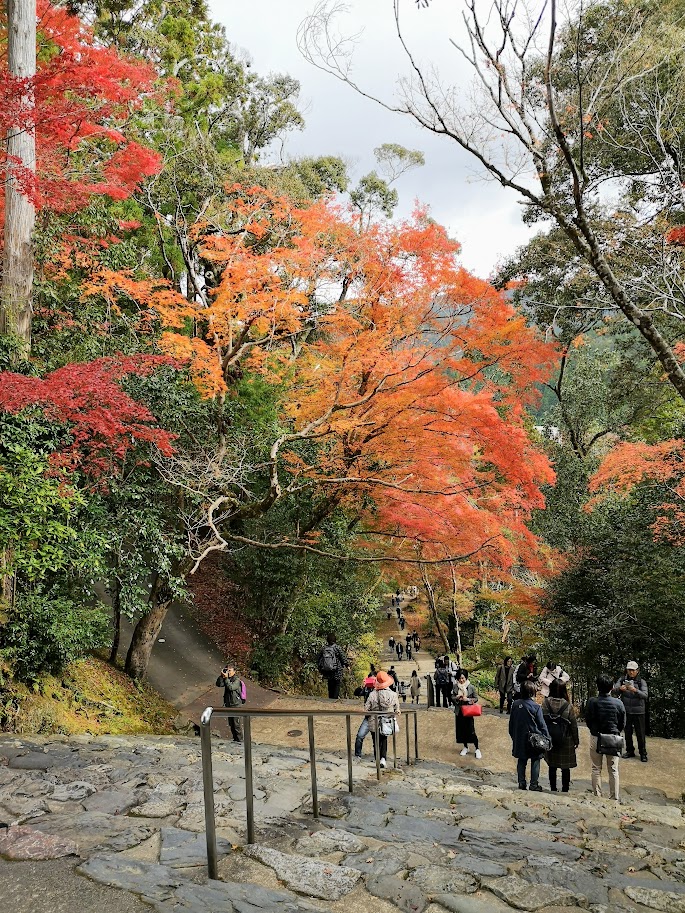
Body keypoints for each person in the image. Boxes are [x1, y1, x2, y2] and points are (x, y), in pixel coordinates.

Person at [586, 673, 626, 800]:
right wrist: (615, 731)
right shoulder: (618, 703)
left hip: (596, 736)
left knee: (596, 768)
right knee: (613, 770)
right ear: (612, 687)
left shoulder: (592, 702)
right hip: (613, 738)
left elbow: (588, 720)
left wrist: (594, 730)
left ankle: (597, 796)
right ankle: (614, 797)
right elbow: (622, 723)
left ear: (597, 687)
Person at [509, 680, 550, 791]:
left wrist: (514, 736)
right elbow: (542, 725)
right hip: (534, 739)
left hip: (520, 737)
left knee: (521, 760)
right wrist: (548, 738)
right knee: (535, 760)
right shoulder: (536, 707)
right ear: (532, 692)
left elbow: (511, 723)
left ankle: (521, 783)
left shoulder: (515, 704)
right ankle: (534, 784)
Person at [542, 679, 579, 792]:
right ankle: (565, 789)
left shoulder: (545, 703)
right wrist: (576, 740)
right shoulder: (568, 706)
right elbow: (573, 725)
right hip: (565, 739)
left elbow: (542, 720)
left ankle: (553, 788)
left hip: (550, 738)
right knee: (565, 767)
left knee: (552, 765)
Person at [613, 661, 648, 762]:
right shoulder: (623, 679)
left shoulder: (642, 682)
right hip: (626, 710)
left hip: (639, 711)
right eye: (629, 670)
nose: (631, 672)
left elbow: (645, 695)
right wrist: (620, 688)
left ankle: (643, 753)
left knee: (640, 733)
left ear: (637, 671)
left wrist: (635, 690)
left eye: (633, 670)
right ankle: (629, 750)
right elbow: (614, 690)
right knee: (627, 732)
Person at [365, 670, 400, 768]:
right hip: (387, 720)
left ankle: (377, 758)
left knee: (375, 740)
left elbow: (366, 708)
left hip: (373, 720)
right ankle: (383, 758)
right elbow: (397, 708)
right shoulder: (393, 695)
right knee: (384, 739)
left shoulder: (372, 695)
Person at [453, 670, 481, 758]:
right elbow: (451, 697)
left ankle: (477, 748)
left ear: (466, 678)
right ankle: (465, 747)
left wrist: (468, 700)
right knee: (462, 730)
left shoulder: (471, 687)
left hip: (468, 711)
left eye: (462, 678)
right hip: (459, 711)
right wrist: (457, 698)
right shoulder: (455, 687)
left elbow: (476, 698)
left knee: (471, 730)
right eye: (459, 678)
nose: (461, 680)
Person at [215, 663, 245, 742]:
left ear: (234, 671)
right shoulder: (227, 678)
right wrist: (221, 676)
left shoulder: (236, 680)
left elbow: (231, 687)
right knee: (231, 724)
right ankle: (235, 740)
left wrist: (226, 678)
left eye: (230, 670)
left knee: (236, 724)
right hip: (229, 704)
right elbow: (219, 684)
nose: (228, 672)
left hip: (236, 705)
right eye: (227, 670)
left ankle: (240, 741)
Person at [317, 633, 348, 699]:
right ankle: (335, 698)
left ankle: (330, 698)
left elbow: (319, 658)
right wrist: (346, 665)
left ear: (327, 640)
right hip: (337, 669)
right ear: (335, 640)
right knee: (337, 684)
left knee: (330, 684)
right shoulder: (337, 647)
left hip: (327, 670)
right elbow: (343, 658)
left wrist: (320, 667)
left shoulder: (324, 648)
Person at [353, 672, 377, 760]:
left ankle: (377, 757)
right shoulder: (366, 689)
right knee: (360, 736)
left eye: (373, 679)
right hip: (368, 717)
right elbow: (356, 693)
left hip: (377, 717)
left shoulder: (380, 689)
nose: (371, 682)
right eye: (370, 679)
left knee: (376, 739)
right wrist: (362, 686)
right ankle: (357, 755)